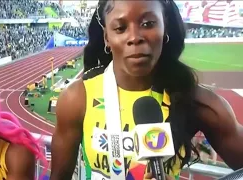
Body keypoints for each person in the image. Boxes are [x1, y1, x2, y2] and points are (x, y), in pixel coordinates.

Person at [50, 0, 243, 180]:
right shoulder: (77, 98)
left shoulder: (198, 102)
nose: (135, 38)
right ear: (107, 37)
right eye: (120, 28)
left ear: (164, 26)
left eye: (148, 24)